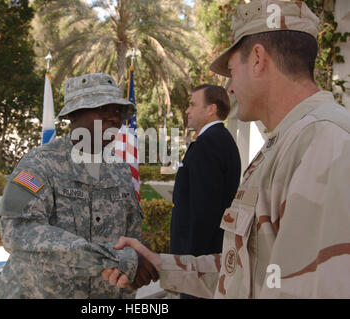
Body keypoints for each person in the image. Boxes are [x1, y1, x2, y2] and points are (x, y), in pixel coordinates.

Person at [102, 0, 350, 298]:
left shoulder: (324, 142)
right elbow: (249, 271)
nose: (229, 88)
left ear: (257, 58)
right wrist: (161, 266)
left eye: (232, 71)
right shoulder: (290, 142)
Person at [0, 73, 158, 299]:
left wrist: (133, 271)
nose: (113, 118)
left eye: (118, 111)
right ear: (74, 115)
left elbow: (131, 236)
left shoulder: (120, 169)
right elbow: (18, 231)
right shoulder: (40, 164)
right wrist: (113, 260)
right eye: (102, 109)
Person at [170, 84, 241, 299]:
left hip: (198, 262)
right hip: (206, 256)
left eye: (192, 105)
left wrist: (192, 264)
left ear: (211, 109)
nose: (187, 110)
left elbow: (204, 210)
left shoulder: (209, 144)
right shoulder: (219, 139)